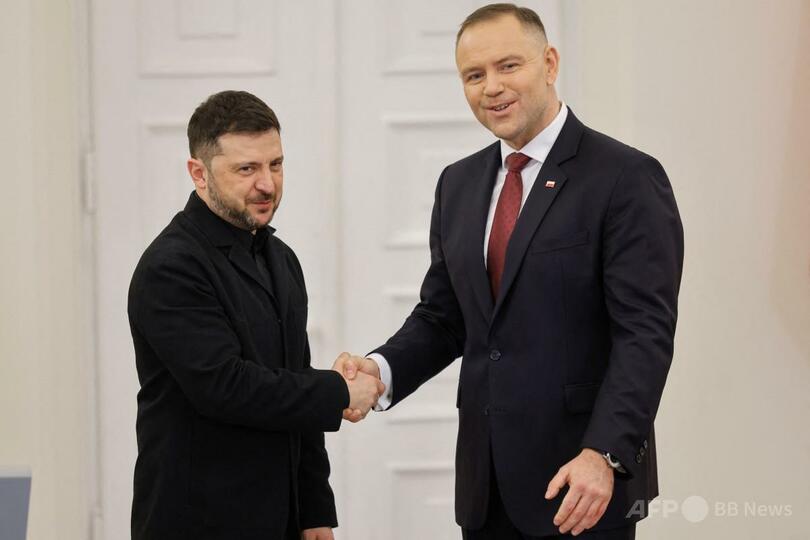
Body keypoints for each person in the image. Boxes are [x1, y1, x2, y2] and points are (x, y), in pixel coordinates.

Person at [336, 4, 684, 539]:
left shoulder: (625, 177)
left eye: (508, 66)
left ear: (550, 63)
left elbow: (645, 334)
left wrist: (605, 454)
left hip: (582, 485)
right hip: (486, 486)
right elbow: (444, 317)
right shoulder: (458, 184)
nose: (491, 87)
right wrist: (381, 371)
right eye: (474, 75)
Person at [128, 90, 383, 540]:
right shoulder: (170, 267)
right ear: (199, 174)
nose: (267, 184)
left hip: (281, 520)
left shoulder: (281, 258)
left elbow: (293, 377)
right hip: (197, 522)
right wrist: (339, 391)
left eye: (276, 164)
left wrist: (314, 510)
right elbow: (225, 387)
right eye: (246, 169)